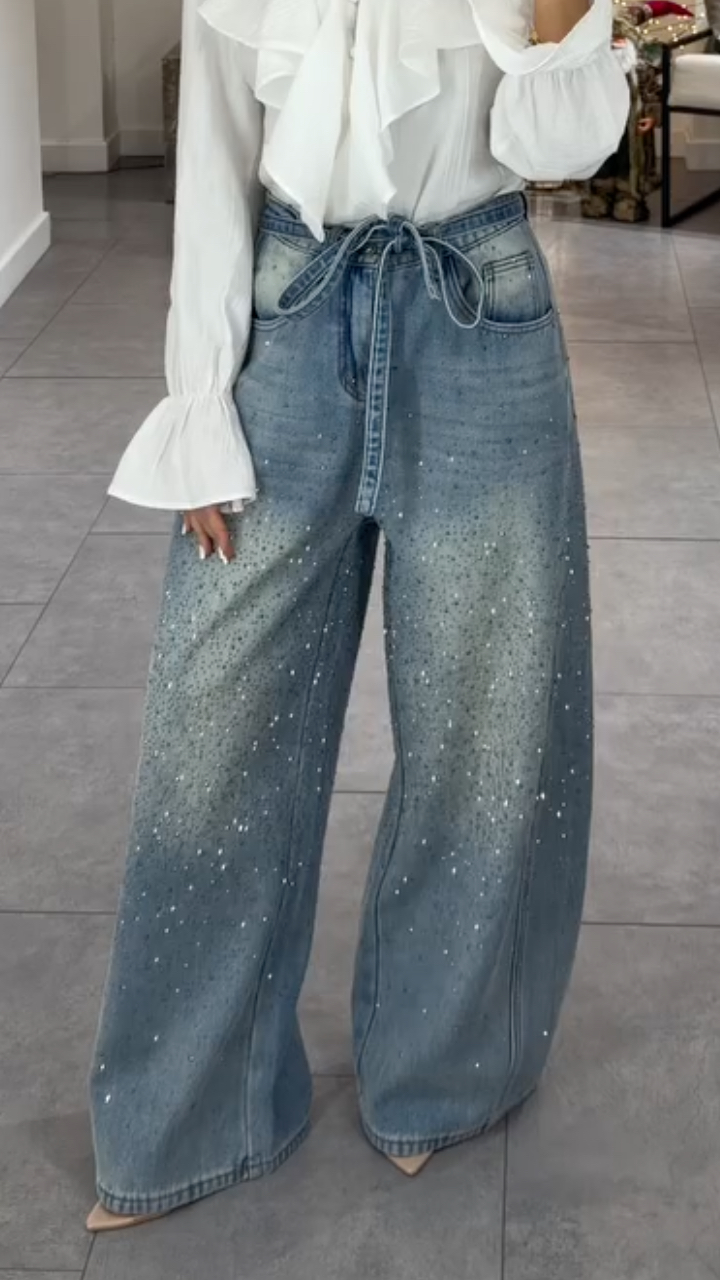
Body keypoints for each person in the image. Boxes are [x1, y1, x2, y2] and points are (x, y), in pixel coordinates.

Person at [87, 0, 628, 1233]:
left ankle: (444, 1073)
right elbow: (214, 154)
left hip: (481, 305)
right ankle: (189, 1111)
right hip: (288, 315)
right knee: (214, 733)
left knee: (485, 736)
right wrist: (199, 398)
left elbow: (563, 147)